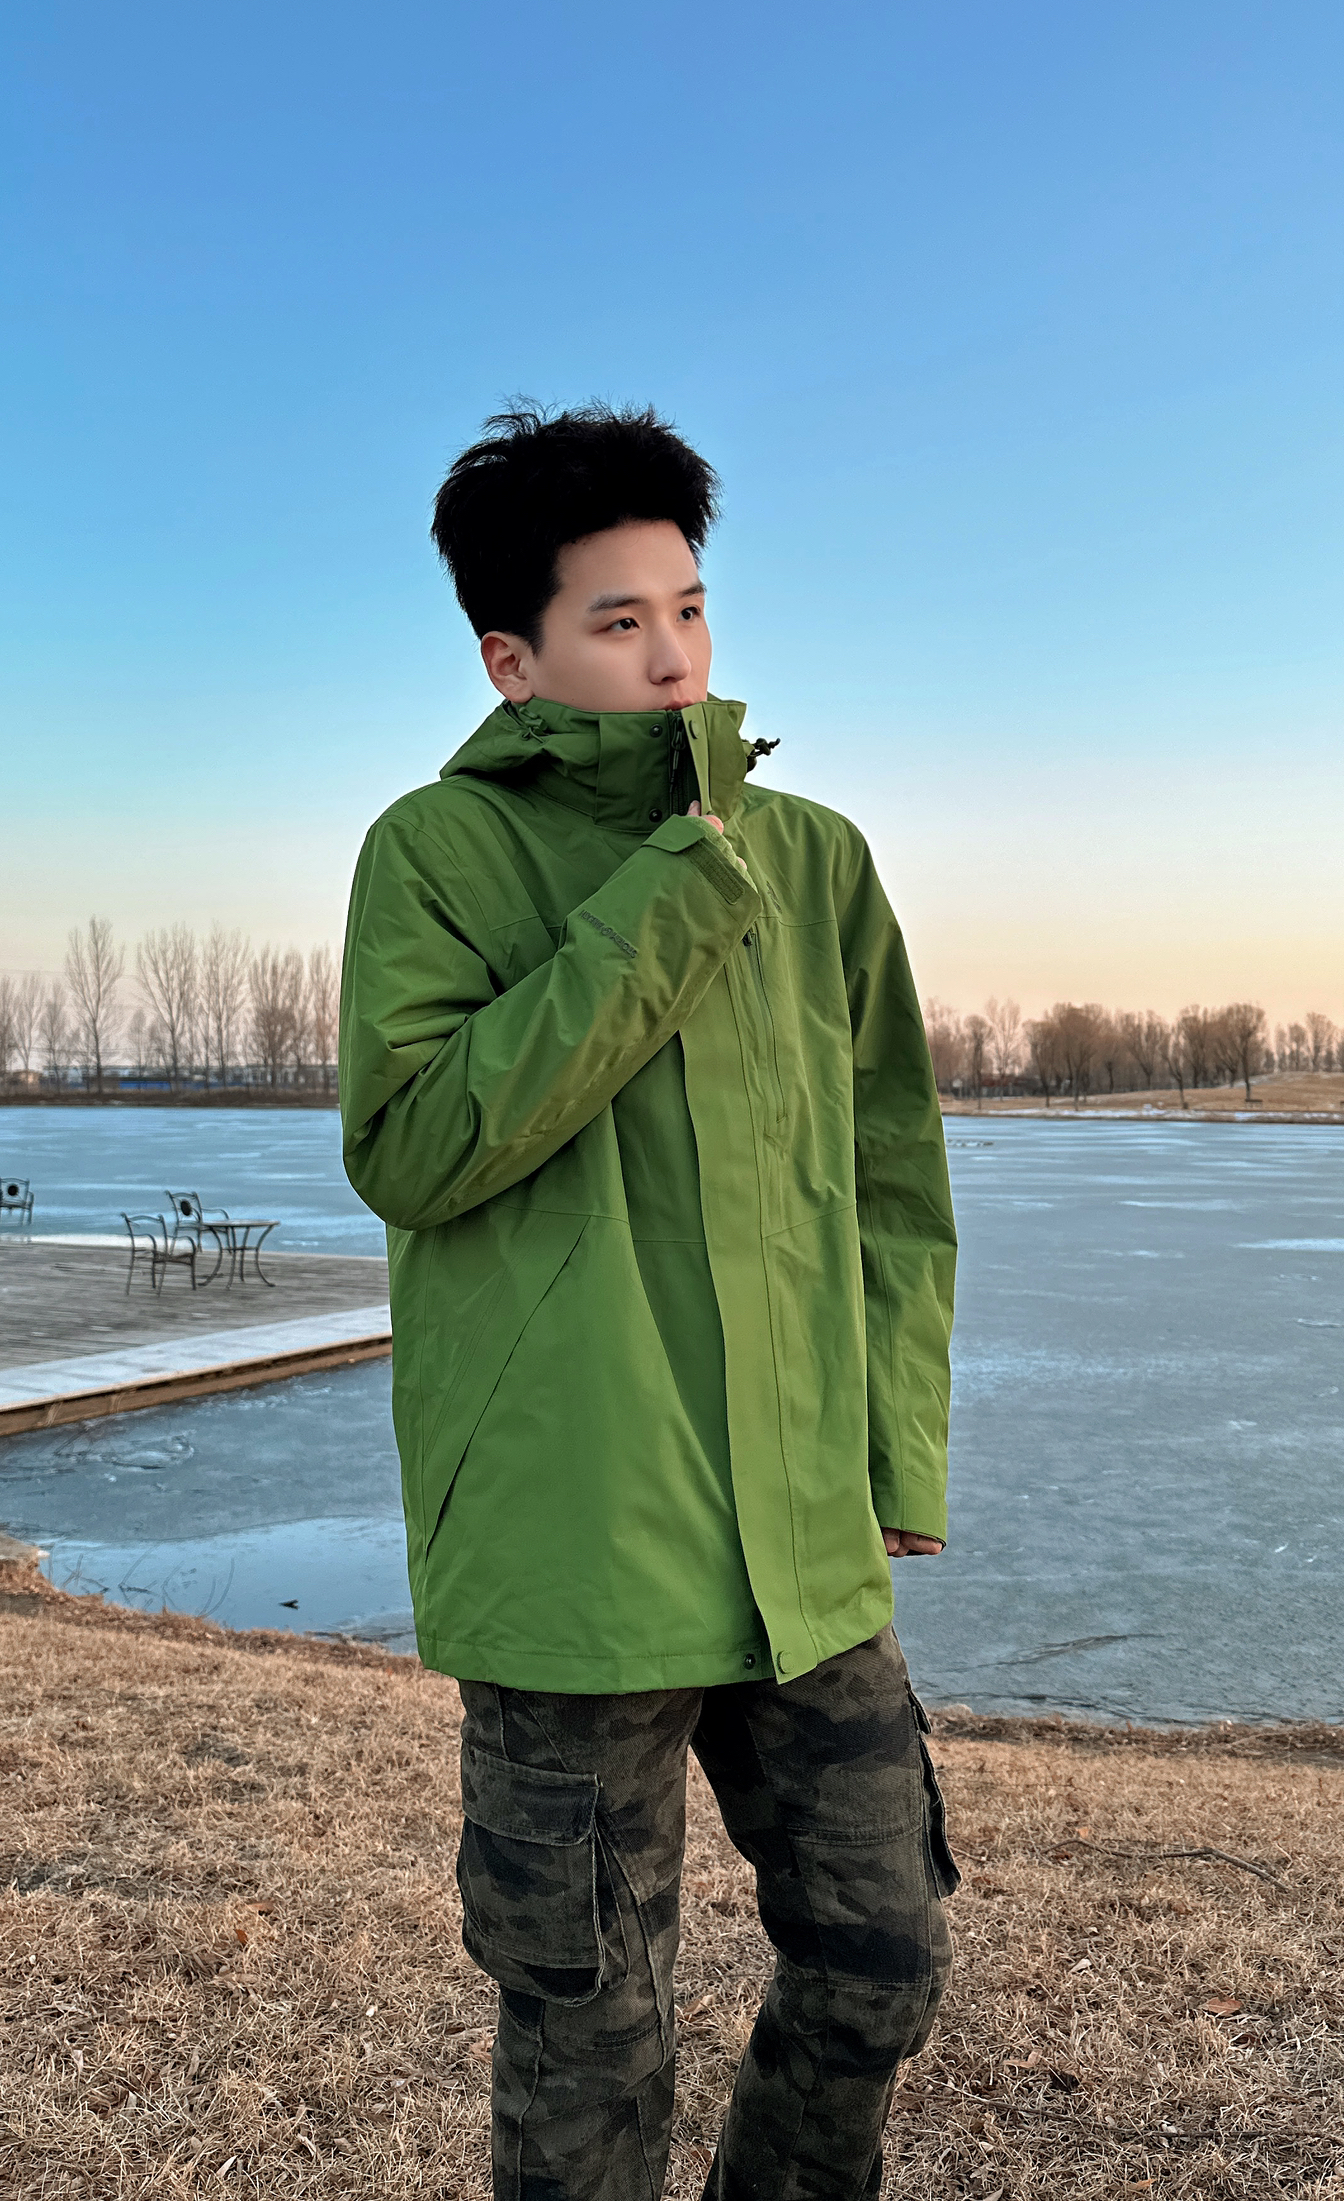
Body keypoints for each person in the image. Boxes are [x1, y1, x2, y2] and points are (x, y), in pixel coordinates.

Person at [339, 401, 958, 2200]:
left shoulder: (814, 858)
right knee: (591, 2027)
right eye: (618, 623)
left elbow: (892, 1176)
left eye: (688, 608)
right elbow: (416, 1146)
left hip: (801, 1534)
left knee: (882, 1957)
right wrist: (671, 890)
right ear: (512, 659)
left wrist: (890, 1448)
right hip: (575, 1544)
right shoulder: (436, 852)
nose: (675, 658)